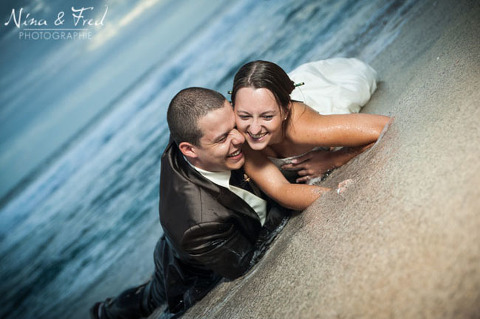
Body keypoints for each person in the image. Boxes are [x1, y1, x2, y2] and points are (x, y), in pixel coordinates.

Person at [90, 87, 341, 319]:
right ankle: (106, 312)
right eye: (222, 139)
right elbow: (244, 261)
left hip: (196, 229)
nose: (240, 139)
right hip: (189, 269)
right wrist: (287, 191)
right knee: (151, 297)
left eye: (234, 126)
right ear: (189, 150)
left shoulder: (200, 127)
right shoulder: (196, 225)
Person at [230, 59, 391, 188]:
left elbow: (382, 126)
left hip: (330, 87)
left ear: (286, 111)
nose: (255, 129)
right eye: (244, 116)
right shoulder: (234, 132)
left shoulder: (302, 128)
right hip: (260, 97)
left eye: (267, 117)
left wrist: (333, 159)